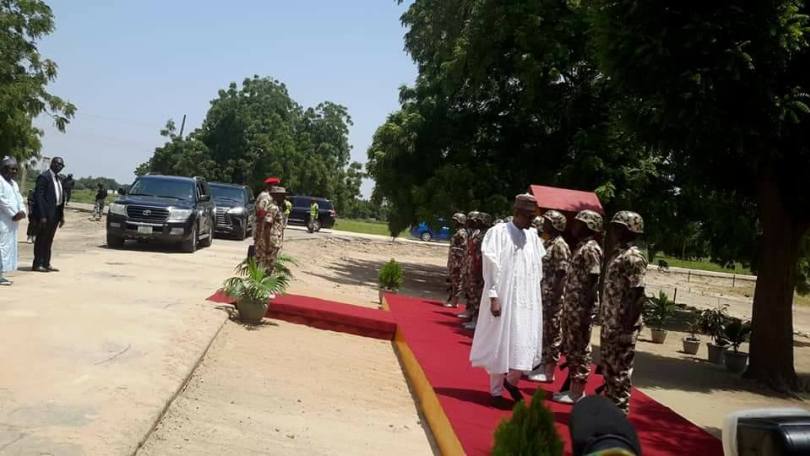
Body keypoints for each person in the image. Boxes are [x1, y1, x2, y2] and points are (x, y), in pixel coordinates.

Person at [469, 193, 545, 407]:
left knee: (525, 341)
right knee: (500, 343)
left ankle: (511, 381)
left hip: (526, 300)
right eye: (529, 215)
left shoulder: (532, 237)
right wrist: (493, 296)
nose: (532, 219)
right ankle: (495, 393)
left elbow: (537, 269)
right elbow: (490, 265)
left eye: (533, 215)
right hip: (504, 296)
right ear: (517, 212)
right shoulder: (499, 232)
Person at [553, 209, 603, 405]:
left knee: (580, 349)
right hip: (574, 306)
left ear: (589, 226)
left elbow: (592, 280)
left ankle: (577, 392)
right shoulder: (581, 247)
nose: (574, 226)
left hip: (581, 308)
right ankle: (572, 388)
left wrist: (586, 311)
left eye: (579, 223)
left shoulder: (590, 248)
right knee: (573, 347)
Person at [600, 212, 647, 414]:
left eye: (620, 227)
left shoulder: (633, 257)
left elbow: (638, 295)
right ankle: (610, 414)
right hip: (611, 323)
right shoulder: (618, 253)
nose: (615, 231)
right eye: (615, 226)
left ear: (631, 230)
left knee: (620, 374)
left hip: (622, 326)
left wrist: (628, 329)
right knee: (610, 372)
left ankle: (618, 418)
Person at [529, 210, 571, 383]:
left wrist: (554, 298)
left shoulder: (560, 245)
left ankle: (549, 371)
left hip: (552, 298)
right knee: (543, 332)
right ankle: (541, 364)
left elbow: (562, 274)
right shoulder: (549, 243)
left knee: (552, 333)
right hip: (544, 296)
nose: (543, 224)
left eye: (547, 221)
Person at [32, 156, 66, 273]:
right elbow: (39, 197)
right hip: (45, 215)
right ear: (52, 164)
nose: (59, 166)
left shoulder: (59, 179)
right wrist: (42, 216)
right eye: (57, 164)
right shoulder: (44, 177)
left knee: (49, 239)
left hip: (55, 214)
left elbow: (60, 198)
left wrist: (61, 216)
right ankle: (38, 264)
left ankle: (46, 263)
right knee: (41, 238)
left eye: (61, 165)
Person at [0, 157, 27, 285]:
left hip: (12, 222)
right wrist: (14, 213)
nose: (15, 171)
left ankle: (2, 272)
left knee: (8, 247)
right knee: (1, 246)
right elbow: (2, 201)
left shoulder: (14, 184)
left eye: (16, 169)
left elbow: (19, 199)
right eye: (12, 169)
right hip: (3, 220)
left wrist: (22, 211)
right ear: (4, 169)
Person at [255, 184, 287, 272]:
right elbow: (267, 226)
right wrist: (268, 246)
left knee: (267, 266)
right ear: (276, 195)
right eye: (282, 196)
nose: (284, 198)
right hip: (271, 243)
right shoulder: (273, 208)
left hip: (272, 242)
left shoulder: (276, 207)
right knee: (268, 267)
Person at [457, 211, 479, 321]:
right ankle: (468, 310)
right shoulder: (472, 232)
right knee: (468, 288)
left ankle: (473, 314)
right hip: (468, 263)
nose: (470, 222)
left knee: (474, 291)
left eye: (473, 220)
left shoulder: (479, 233)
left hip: (474, 265)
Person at [445, 212, 468, 308]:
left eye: (456, 221)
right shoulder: (457, 232)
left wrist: (455, 251)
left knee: (457, 281)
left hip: (458, 262)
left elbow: (464, 247)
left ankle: (454, 301)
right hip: (454, 261)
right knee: (453, 281)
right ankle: (452, 299)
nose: (454, 222)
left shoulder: (462, 233)